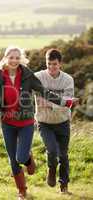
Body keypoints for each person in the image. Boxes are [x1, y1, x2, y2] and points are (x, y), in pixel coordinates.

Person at [0, 46, 67, 200]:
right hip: (7, 122)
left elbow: (43, 91)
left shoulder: (28, 75)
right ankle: (22, 191)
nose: (14, 60)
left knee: (20, 158)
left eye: (17, 57)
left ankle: (27, 158)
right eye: (11, 57)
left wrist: (64, 102)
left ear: (21, 59)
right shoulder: (1, 75)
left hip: (25, 122)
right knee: (12, 159)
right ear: (6, 59)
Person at [35, 49, 78, 194]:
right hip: (44, 122)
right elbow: (25, 84)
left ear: (60, 64)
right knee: (52, 151)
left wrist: (48, 103)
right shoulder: (39, 77)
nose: (51, 67)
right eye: (49, 64)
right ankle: (51, 170)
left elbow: (68, 104)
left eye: (54, 64)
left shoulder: (68, 80)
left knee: (63, 155)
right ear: (45, 63)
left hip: (62, 122)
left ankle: (64, 185)